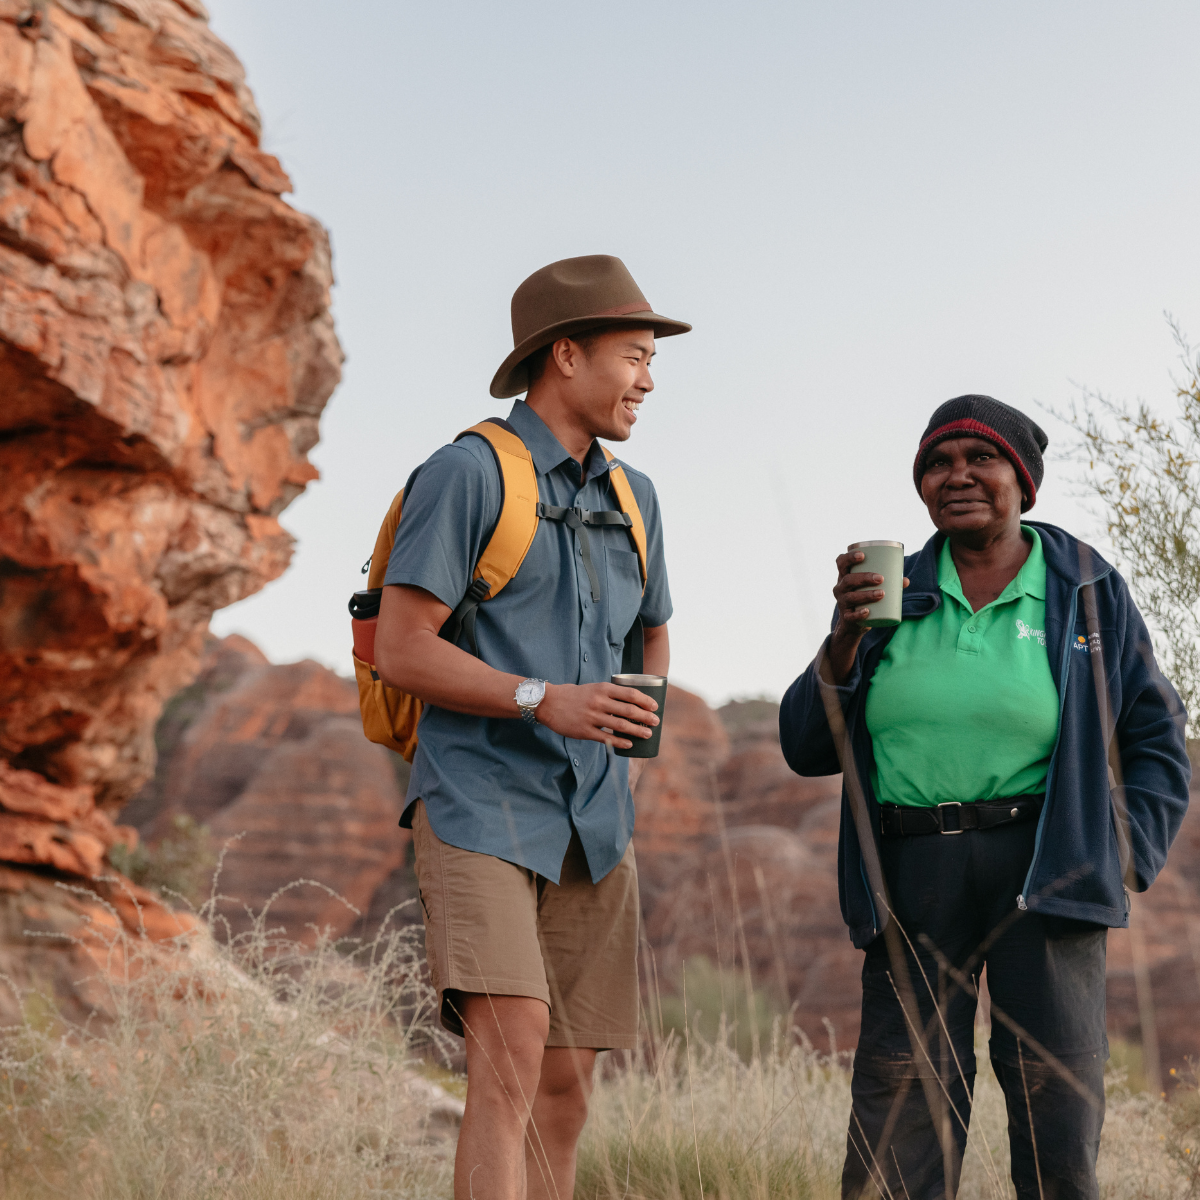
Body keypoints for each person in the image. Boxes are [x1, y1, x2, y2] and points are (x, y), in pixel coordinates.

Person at [779, 395, 1190, 1200]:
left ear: (1022, 481)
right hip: (911, 874)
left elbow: (1157, 735)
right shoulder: (894, 591)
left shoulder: (1086, 587)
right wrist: (844, 638)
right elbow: (804, 746)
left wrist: (1122, 848)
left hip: (1047, 868)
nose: (956, 476)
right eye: (938, 463)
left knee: (1057, 1122)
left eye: (981, 459)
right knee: (899, 1123)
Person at [373, 255, 688, 1200]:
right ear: (565, 356)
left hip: (595, 823)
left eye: (650, 362)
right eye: (633, 356)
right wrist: (540, 698)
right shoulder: (466, 474)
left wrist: (638, 708)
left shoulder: (638, 498)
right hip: (478, 807)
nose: (646, 380)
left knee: (564, 1085)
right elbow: (402, 648)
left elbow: (655, 629)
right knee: (507, 1060)